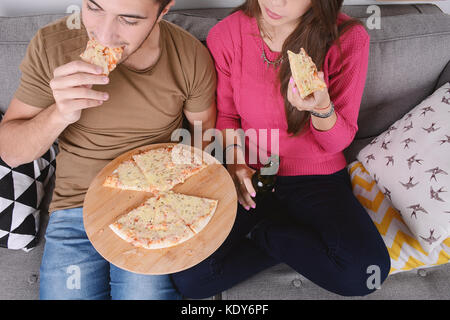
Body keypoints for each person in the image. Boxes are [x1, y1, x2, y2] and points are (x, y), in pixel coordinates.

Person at [171, 0, 391, 299]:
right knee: (190, 280)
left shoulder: (348, 38)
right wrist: (236, 165)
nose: (276, 2)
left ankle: (268, 232)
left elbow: (338, 142)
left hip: (317, 175)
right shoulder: (227, 34)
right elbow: (227, 116)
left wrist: (323, 109)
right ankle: (281, 228)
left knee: (365, 276)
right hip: (253, 172)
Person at [0, 0, 217, 300]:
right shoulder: (53, 45)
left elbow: (204, 136)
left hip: (153, 205)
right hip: (75, 208)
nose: (103, 34)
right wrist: (59, 113)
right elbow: (11, 152)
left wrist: (173, 198)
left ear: (164, 10)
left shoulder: (190, 57)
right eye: (94, 7)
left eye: (128, 20)